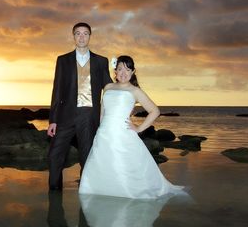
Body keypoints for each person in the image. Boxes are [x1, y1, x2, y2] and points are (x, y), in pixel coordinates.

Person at [78, 55, 184, 199]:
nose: (123, 73)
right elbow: (102, 112)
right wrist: (99, 130)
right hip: (104, 134)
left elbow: (155, 111)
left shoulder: (135, 91)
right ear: (115, 71)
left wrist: (139, 128)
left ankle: (124, 192)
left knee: (122, 165)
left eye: (127, 70)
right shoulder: (108, 87)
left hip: (123, 134)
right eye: (120, 69)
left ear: (133, 72)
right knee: (103, 165)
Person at [48, 23, 112, 191]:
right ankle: (54, 193)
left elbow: (109, 87)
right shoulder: (62, 60)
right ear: (73, 37)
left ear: (90, 36)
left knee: (86, 157)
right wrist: (53, 120)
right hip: (65, 116)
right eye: (78, 34)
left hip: (89, 116)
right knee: (54, 155)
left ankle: (86, 192)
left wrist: (128, 87)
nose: (82, 37)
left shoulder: (101, 61)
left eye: (85, 34)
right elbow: (57, 90)